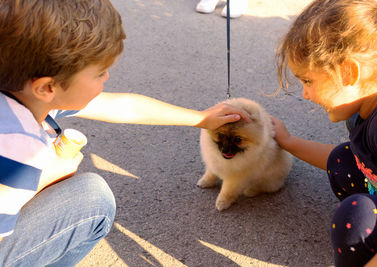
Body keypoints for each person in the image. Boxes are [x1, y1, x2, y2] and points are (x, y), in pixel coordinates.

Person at [0, 0, 250, 265]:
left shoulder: (26, 96)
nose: (106, 78)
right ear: (47, 87)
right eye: (100, 73)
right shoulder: (21, 146)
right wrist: (45, 177)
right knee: (93, 199)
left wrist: (200, 118)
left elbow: (124, 107)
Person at [272, 0, 377, 266]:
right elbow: (359, 159)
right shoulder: (371, 97)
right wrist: (288, 142)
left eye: (307, 81)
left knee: (357, 220)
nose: (305, 94)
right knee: (343, 161)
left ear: (349, 71)